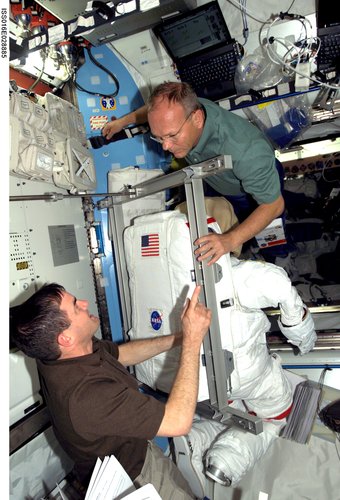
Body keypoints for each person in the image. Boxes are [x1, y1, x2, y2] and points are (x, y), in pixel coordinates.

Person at [10, 283, 211, 499]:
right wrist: (193, 339)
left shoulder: (60, 352)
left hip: (138, 450)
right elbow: (178, 421)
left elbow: (119, 354)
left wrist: (179, 339)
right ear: (66, 339)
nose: (85, 303)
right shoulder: (85, 399)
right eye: (76, 306)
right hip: (135, 479)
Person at [102, 81, 285, 264]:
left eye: (172, 135)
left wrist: (229, 241)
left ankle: (277, 257)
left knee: (269, 234)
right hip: (218, 178)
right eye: (159, 137)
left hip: (250, 188)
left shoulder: (247, 152)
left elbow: (273, 205)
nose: (165, 146)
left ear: (197, 119)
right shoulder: (185, 108)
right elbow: (157, 111)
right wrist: (122, 122)